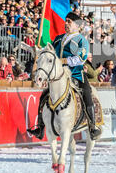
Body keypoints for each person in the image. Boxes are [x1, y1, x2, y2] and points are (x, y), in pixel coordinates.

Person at [28, 12, 102, 141]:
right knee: (44, 96)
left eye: (69, 21)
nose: (66, 23)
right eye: (66, 21)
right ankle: (40, 127)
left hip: (75, 74)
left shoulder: (81, 40)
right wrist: (40, 48)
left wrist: (63, 61)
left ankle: (92, 125)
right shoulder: (58, 38)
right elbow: (49, 53)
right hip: (57, 75)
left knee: (87, 93)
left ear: (77, 25)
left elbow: (81, 58)